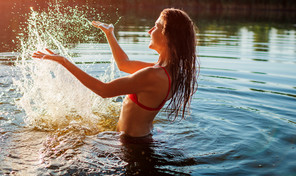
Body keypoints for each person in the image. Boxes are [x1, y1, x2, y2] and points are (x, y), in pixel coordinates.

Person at [32, 8, 198, 138]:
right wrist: (109, 34)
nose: (150, 30)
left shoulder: (153, 75)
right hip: (142, 137)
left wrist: (64, 61)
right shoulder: (169, 71)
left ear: (167, 36)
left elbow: (104, 90)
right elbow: (124, 64)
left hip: (133, 145)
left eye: (156, 26)